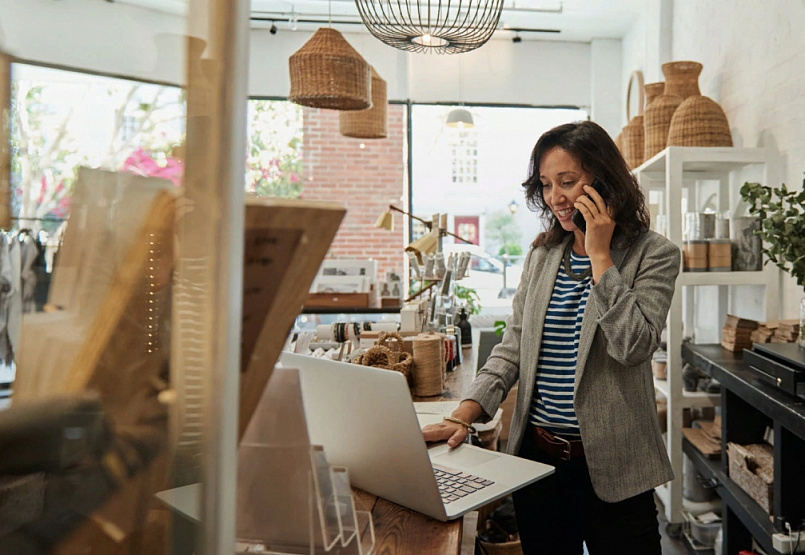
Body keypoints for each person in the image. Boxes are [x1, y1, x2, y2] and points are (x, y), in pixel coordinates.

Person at [422, 121, 680, 554]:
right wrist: (464, 412)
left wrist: (600, 255)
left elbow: (634, 347)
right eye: (545, 184)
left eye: (568, 181)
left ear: (603, 180)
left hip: (617, 469)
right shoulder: (543, 255)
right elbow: (513, 347)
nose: (555, 197)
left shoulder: (653, 254)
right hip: (538, 466)